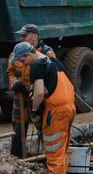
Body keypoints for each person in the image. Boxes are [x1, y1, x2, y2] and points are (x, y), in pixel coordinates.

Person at [17, 42, 76, 174]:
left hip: (55, 111)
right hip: (70, 107)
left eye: (23, 61)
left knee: (53, 152)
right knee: (62, 149)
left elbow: (39, 93)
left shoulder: (37, 66)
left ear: (29, 55)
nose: (23, 64)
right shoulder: (54, 62)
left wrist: (34, 110)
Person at [7, 24, 56, 158]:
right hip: (20, 99)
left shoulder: (46, 53)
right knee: (18, 131)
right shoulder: (16, 52)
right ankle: (17, 161)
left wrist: (34, 89)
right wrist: (15, 83)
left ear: (34, 37)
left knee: (44, 130)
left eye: (24, 36)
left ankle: (50, 159)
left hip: (39, 99)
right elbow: (10, 73)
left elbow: (52, 76)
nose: (21, 38)